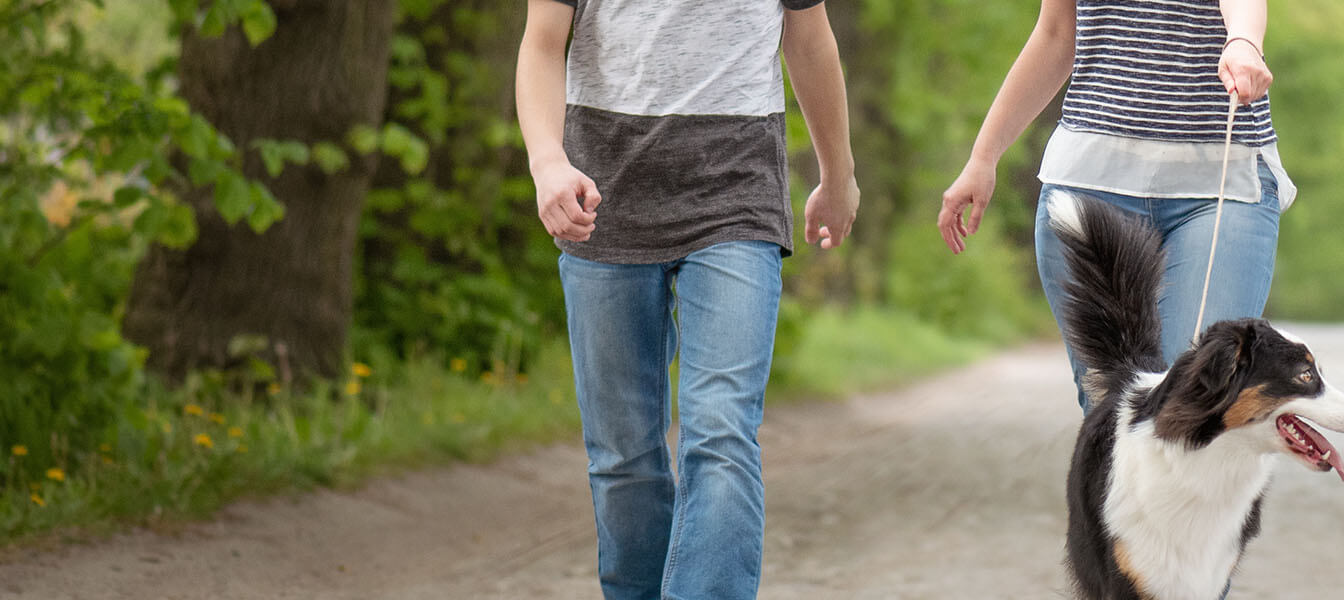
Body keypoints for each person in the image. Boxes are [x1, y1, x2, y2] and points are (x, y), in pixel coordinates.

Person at [515, 0, 858, 598]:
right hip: (603, 196)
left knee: (721, 431)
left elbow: (809, 37)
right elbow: (542, 43)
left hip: (736, 190)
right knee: (623, 455)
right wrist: (547, 162)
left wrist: (838, 174)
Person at [938, 0, 1289, 412]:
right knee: (1112, 407)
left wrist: (1244, 39)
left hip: (1223, 185)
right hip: (1090, 184)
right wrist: (983, 157)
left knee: (1197, 396)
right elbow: (1055, 35)